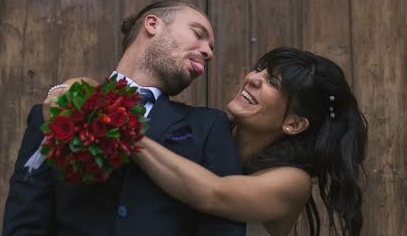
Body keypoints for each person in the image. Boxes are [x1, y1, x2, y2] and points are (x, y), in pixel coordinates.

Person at [47, 47, 369, 236]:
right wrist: (75, 88)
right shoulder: (205, 132)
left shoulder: (293, 181)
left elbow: (213, 193)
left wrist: (118, 126)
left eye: (272, 82)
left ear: (294, 123)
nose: (252, 78)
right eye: (259, 69)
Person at [1, 0, 246, 236]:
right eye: (198, 34)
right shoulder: (52, 112)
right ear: (153, 24)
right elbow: (25, 220)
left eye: (211, 48)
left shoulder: (209, 126)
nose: (208, 52)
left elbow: (224, 227)